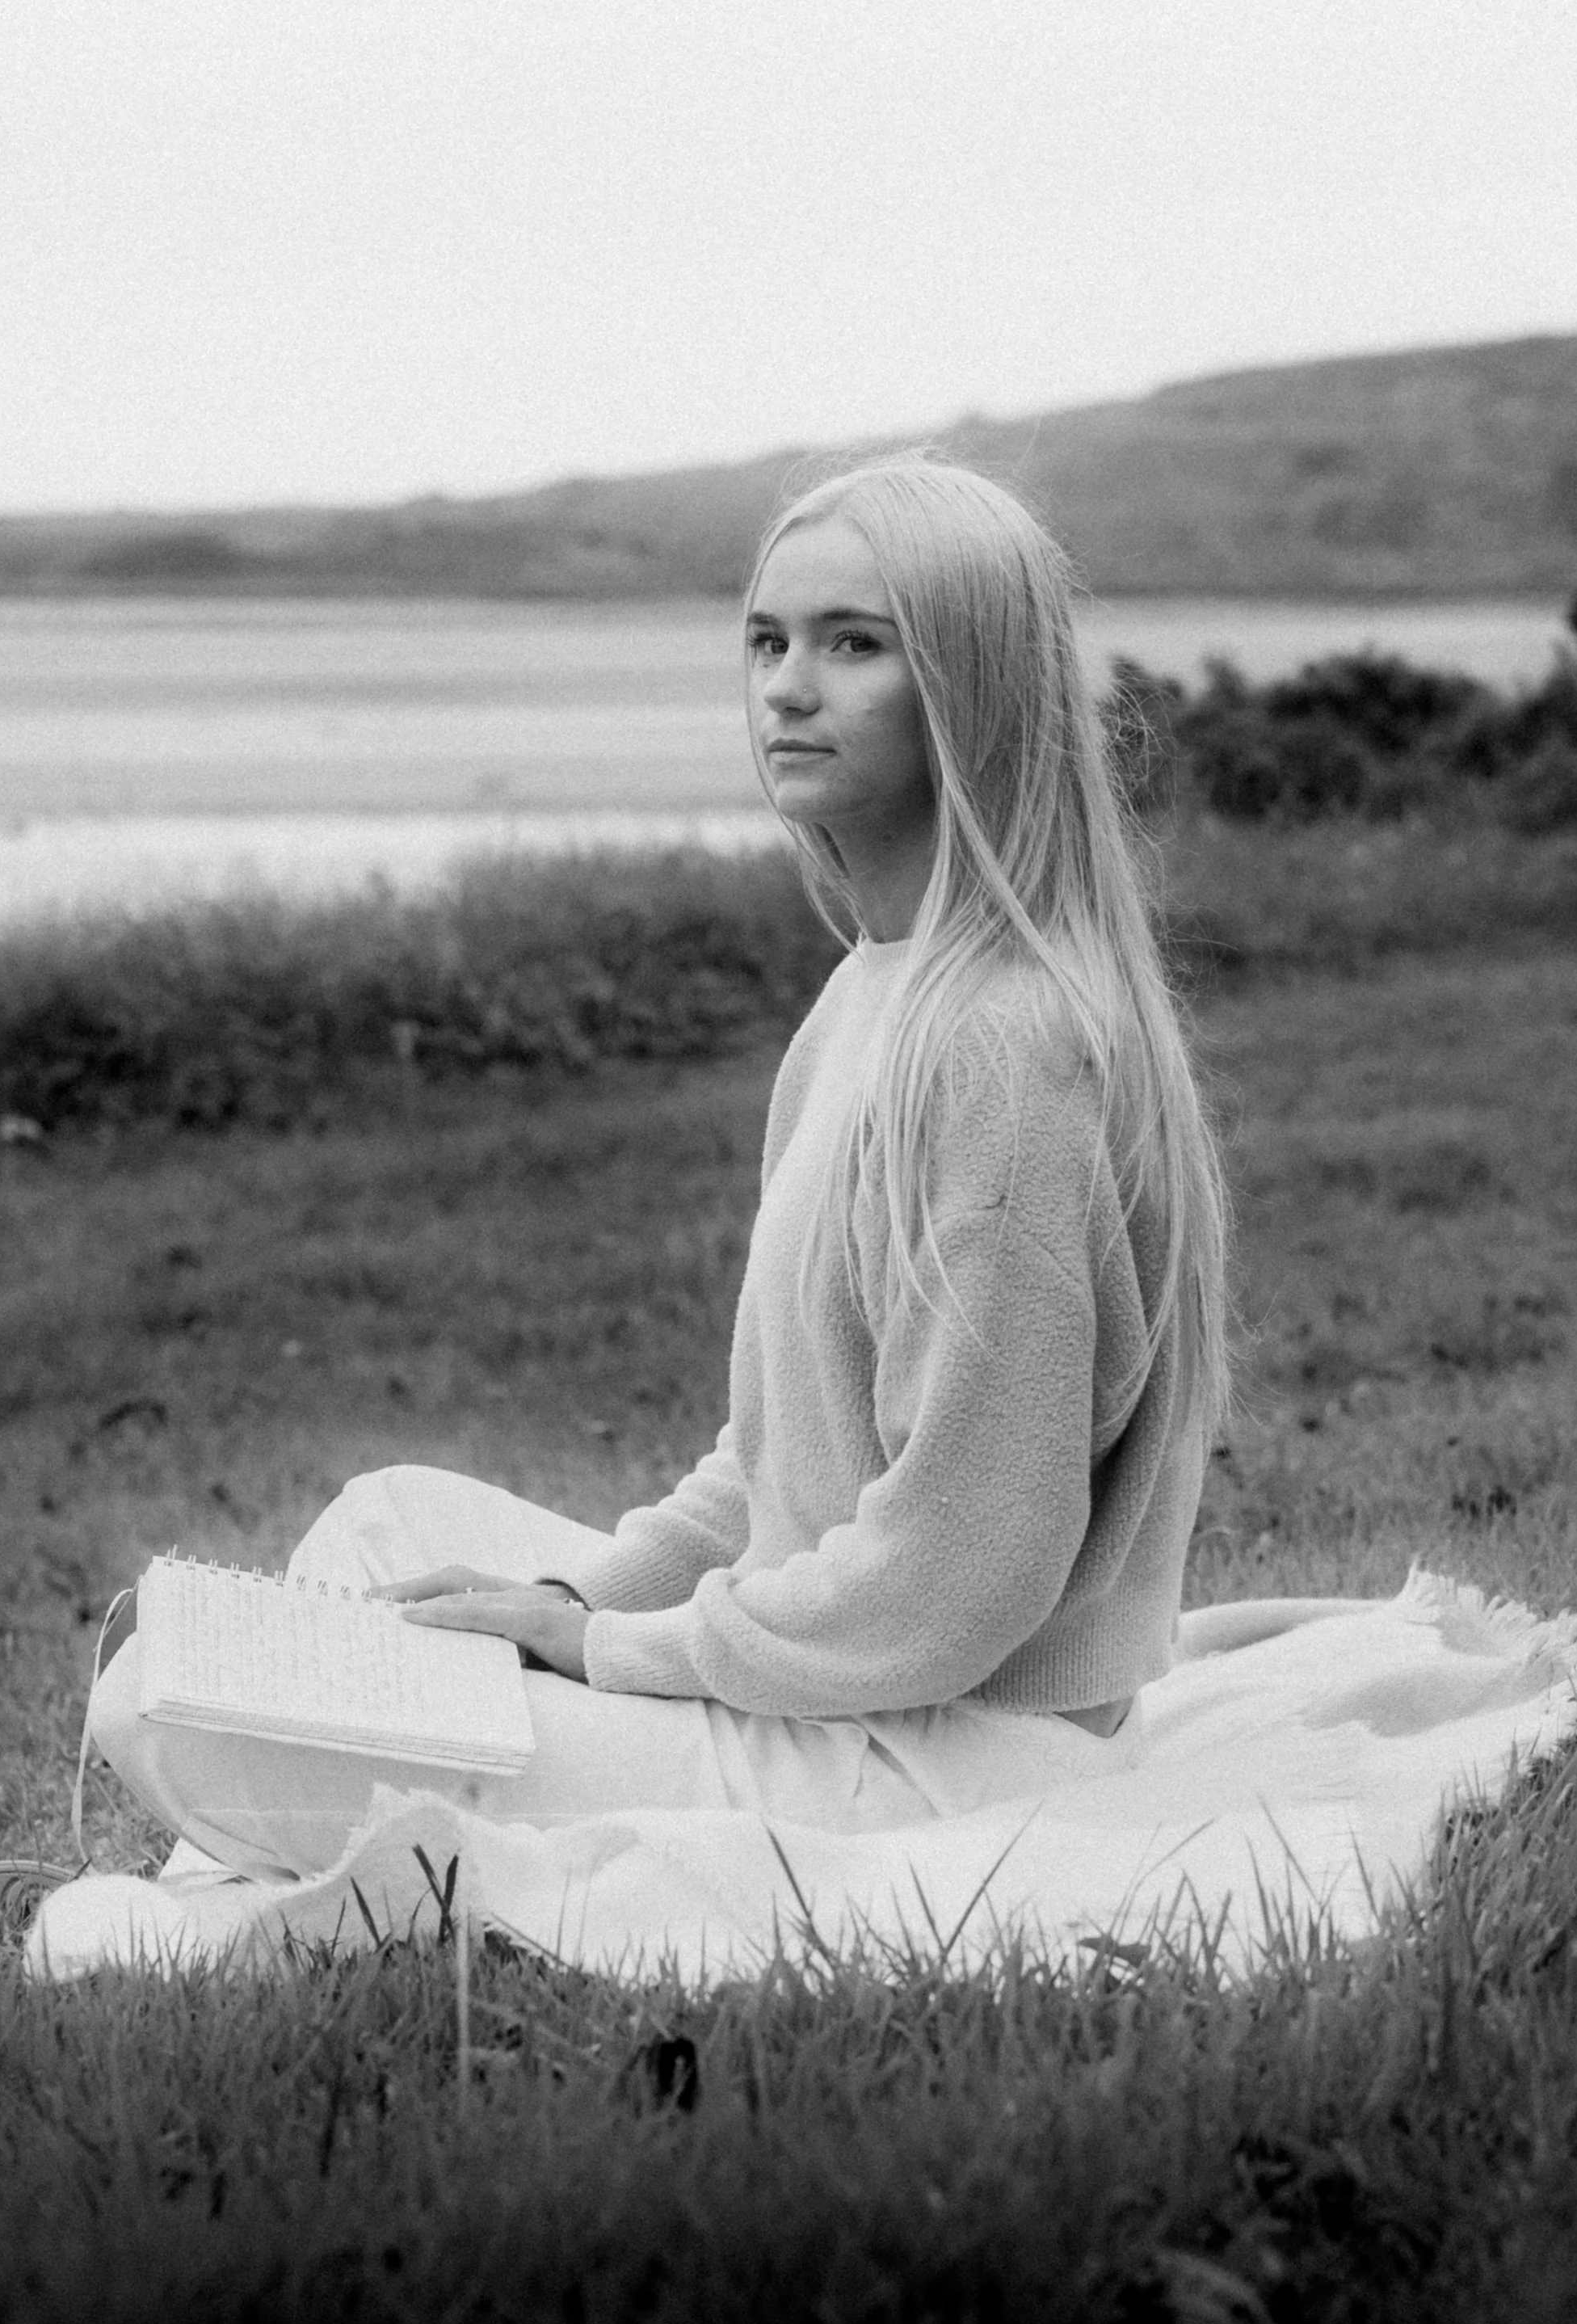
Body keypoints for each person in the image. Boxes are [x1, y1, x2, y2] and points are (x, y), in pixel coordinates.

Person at [86, 455, 1232, 1882]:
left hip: (942, 1756)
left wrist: (611, 1651)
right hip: (843, 1680)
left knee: (164, 1708)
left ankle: (290, 1849)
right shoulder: (874, 997)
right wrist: (566, 1599)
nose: (787, 688)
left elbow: (961, 1573)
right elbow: (772, 1474)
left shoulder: (999, 1046)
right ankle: (327, 1812)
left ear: (974, 688)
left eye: (854, 644)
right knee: (388, 1522)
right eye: (768, 641)